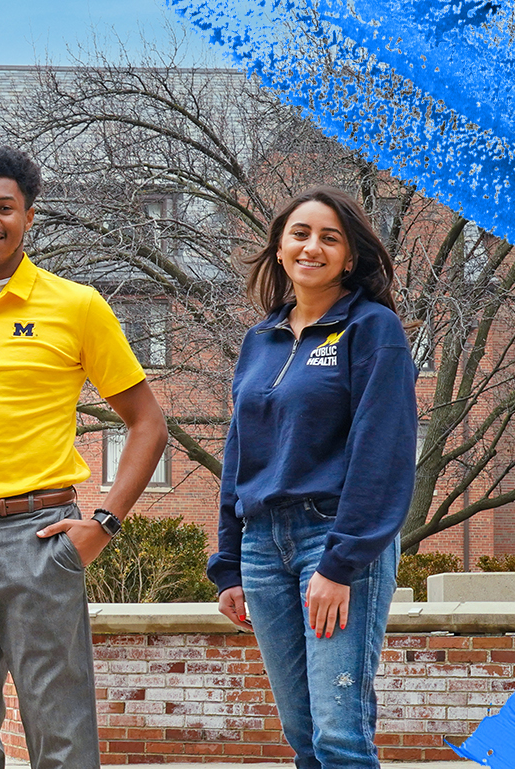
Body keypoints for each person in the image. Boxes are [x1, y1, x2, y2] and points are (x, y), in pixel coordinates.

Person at [0, 145, 168, 769]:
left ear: (28, 217)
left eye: (4, 207)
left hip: (40, 535)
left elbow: (148, 423)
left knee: (61, 738)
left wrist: (104, 524)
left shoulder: (77, 307)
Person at [208, 188, 415, 769]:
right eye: (300, 233)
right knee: (302, 736)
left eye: (330, 237)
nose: (312, 247)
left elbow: (385, 452)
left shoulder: (373, 330)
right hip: (261, 547)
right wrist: (228, 561)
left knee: (339, 736)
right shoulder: (261, 339)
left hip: (333, 540)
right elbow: (238, 453)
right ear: (279, 248)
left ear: (350, 257)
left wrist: (340, 564)